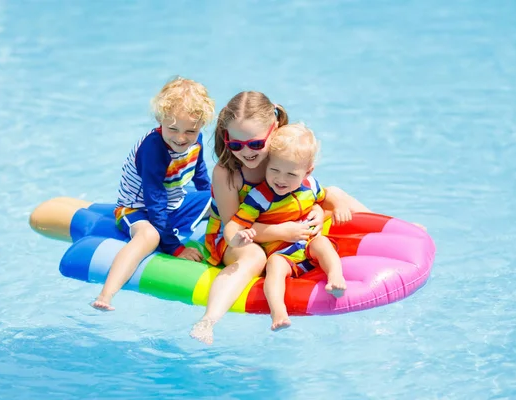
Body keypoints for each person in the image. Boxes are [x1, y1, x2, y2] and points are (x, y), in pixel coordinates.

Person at [190, 91, 370, 344]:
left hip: (286, 227)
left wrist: (318, 210)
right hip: (238, 236)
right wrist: (283, 232)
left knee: (338, 195)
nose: (246, 152)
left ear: (274, 129)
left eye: (255, 143)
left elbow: (309, 192)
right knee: (254, 255)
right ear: (226, 139)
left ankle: (394, 228)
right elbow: (234, 231)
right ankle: (208, 321)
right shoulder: (228, 172)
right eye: (236, 144)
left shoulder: (282, 159)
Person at [91, 77, 215, 311]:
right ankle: (107, 294)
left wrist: (214, 203)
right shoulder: (153, 149)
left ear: (202, 125)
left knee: (225, 198)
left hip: (174, 202)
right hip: (138, 208)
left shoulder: (194, 139)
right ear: (160, 119)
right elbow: (154, 200)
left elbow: (200, 175)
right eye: (173, 129)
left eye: (191, 131)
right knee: (149, 237)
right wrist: (175, 248)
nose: (181, 138)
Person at [224, 123, 347, 331]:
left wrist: (338, 206)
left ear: (308, 172)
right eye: (274, 170)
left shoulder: (311, 186)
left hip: (308, 246)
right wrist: (240, 236)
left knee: (323, 243)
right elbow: (239, 223)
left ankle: (335, 276)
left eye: (291, 175)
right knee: (274, 267)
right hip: (280, 253)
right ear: (267, 165)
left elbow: (326, 197)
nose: (280, 179)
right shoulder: (260, 197)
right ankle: (278, 311)